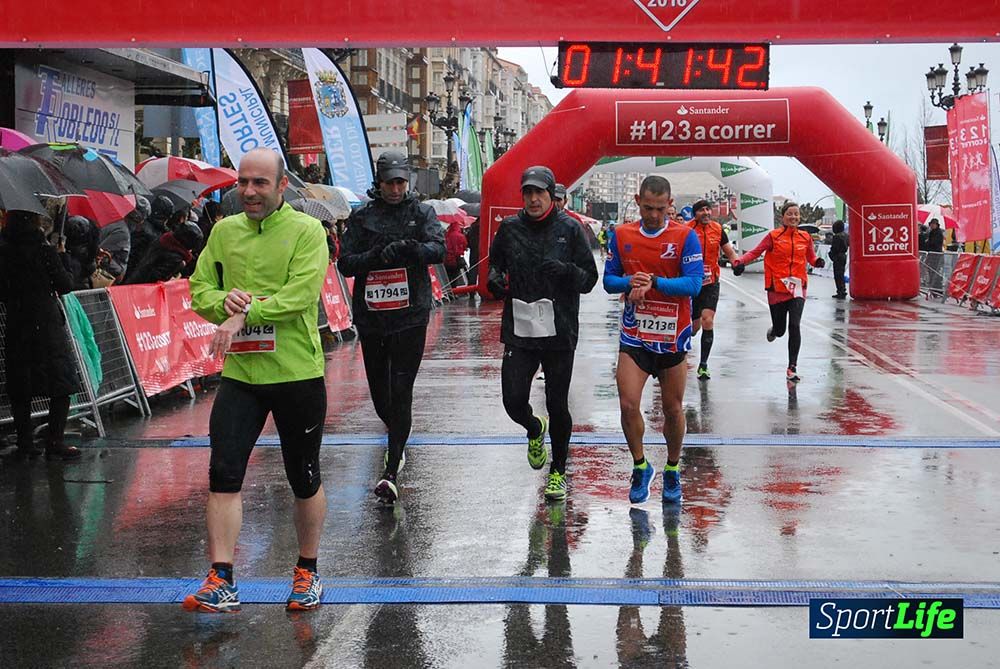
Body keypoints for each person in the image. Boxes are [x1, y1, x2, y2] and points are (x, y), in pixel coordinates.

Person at [184, 148, 329, 613]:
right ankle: (220, 578)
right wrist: (223, 303)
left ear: (282, 186)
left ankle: (307, 571)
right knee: (223, 473)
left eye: (259, 183)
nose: (248, 191)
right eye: (242, 182)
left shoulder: (307, 231)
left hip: (296, 373)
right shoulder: (224, 231)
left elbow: (299, 296)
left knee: (302, 477)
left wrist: (244, 313)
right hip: (241, 375)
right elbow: (199, 289)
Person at [338, 150, 445, 505]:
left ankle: (392, 468)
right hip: (373, 317)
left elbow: (438, 249)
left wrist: (410, 249)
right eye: (390, 183)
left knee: (401, 387)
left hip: (411, 314)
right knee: (381, 394)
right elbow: (345, 263)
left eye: (401, 182)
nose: (396, 189)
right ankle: (398, 435)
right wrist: (373, 257)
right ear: (379, 183)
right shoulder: (362, 216)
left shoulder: (422, 213)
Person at [487, 166, 598, 501]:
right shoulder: (509, 228)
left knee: (556, 402)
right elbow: (495, 265)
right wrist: (494, 279)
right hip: (520, 327)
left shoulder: (571, 229)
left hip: (559, 329)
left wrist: (566, 271)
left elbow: (590, 279)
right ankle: (535, 428)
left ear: (552, 195)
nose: (533, 199)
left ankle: (558, 472)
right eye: (528, 193)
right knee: (512, 399)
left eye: (540, 193)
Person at [603, 176, 702, 504]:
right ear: (637, 201)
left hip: (672, 338)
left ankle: (672, 468)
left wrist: (655, 282)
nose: (654, 215)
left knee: (673, 409)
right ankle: (641, 465)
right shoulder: (621, 235)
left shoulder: (685, 237)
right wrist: (632, 281)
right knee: (628, 403)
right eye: (648, 208)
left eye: (661, 209)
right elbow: (608, 281)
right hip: (635, 337)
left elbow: (693, 285)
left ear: (670, 204)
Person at [0, 211, 82, 461]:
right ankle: (55, 441)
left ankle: (25, 443)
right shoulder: (44, 251)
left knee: (21, 385)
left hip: (17, 323)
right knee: (60, 382)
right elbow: (66, 285)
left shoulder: (3, 251)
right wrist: (63, 256)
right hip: (46, 325)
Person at [732, 201, 825, 383]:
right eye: (789, 214)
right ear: (782, 217)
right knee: (781, 329)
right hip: (777, 288)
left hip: (797, 286)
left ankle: (792, 367)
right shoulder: (773, 236)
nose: (793, 217)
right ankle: (774, 330)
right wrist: (739, 261)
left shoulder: (805, 237)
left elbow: (811, 257)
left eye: (796, 214)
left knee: (795, 326)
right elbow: (755, 252)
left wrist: (818, 262)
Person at [686, 199, 739, 381]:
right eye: (701, 210)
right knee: (693, 328)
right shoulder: (687, 230)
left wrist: (735, 263)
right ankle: (680, 354)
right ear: (695, 214)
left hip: (711, 282)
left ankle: (703, 365)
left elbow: (729, 251)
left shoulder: (718, 229)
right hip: (691, 283)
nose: (706, 213)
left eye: (708, 209)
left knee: (708, 321)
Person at [126, 220, 204, 284]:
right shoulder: (176, 258)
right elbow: (157, 280)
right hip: (141, 289)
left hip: (135, 277)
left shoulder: (165, 240)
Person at [443, 219, 469, 287]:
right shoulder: (461, 236)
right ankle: (454, 291)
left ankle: (449, 292)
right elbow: (465, 246)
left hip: (447, 259)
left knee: (448, 276)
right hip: (456, 259)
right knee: (455, 276)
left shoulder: (447, 235)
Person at [829, 219, 849, 299]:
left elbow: (834, 248)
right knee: (841, 274)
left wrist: (831, 255)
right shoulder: (846, 235)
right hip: (843, 255)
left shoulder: (836, 236)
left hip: (838, 256)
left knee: (837, 275)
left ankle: (840, 291)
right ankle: (842, 290)